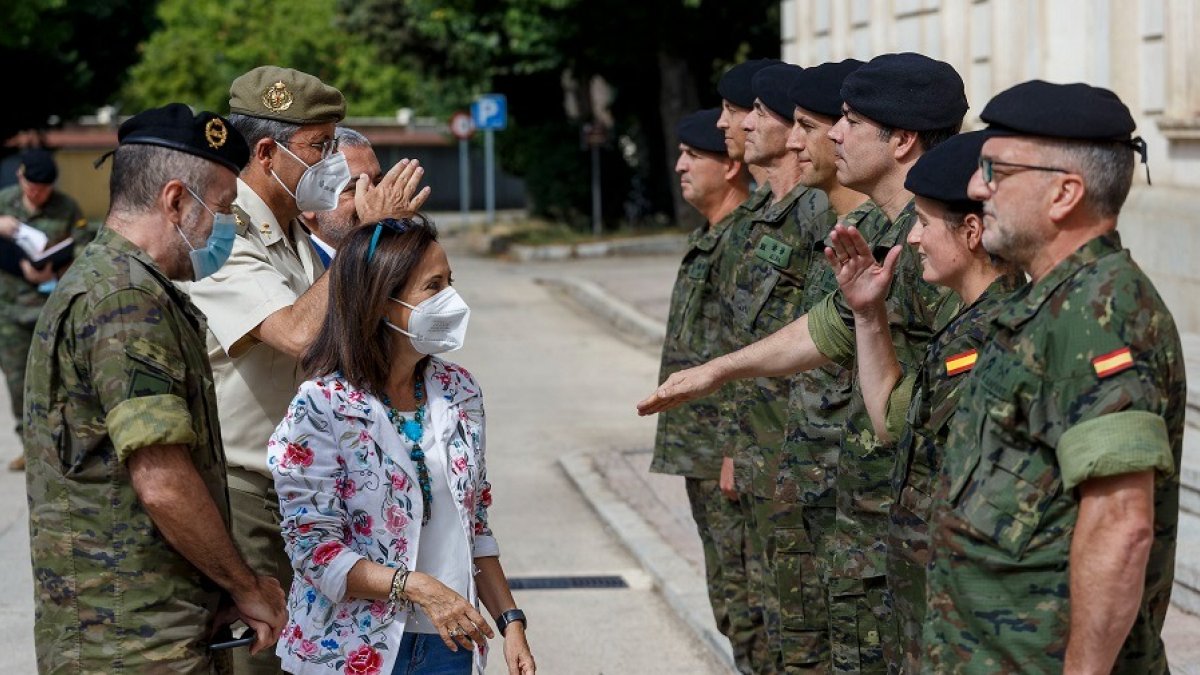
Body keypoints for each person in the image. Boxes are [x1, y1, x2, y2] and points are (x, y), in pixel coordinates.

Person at [639, 52, 966, 672]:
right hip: (860, 505)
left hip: (911, 520)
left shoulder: (935, 242)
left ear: (901, 139)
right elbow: (826, 328)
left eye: (846, 120)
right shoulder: (881, 227)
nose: (826, 135)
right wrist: (716, 372)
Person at [923, 81, 1183, 674]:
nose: (974, 187)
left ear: (1064, 192)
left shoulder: (1103, 314)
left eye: (995, 169)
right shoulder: (1047, 302)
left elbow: (1121, 528)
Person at [23, 103, 288, 673]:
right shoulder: (125, 301)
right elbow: (163, 481)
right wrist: (244, 585)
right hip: (129, 639)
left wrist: (215, 587)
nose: (225, 227)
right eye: (220, 209)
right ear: (175, 201)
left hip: (149, 624)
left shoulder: (126, 286)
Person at [186, 66, 429, 675]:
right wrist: (360, 239)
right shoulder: (221, 232)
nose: (331, 162)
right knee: (259, 661)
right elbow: (299, 334)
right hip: (247, 497)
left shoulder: (294, 230)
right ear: (266, 153)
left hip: (308, 489)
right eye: (320, 147)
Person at [269, 216, 535, 675]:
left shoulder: (459, 391)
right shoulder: (322, 406)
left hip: (449, 643)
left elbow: (475, 526)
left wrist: (511, 623)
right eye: (433, 286)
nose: (452, 300)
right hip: (350, 649)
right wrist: (416, 587)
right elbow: (314, 550)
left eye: (450, 282)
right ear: (381, 304)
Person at [821, 131, 1024, 672]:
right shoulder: (964, 328)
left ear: (973, 231)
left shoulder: (999, 337)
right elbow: (891, 421)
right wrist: (868, 315)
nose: (912, 240)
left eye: (924, 223)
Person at [650, 107, 751, 668]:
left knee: (750, 605)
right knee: (730, 602)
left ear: (732, 166)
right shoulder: (709, 236)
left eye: (695, 155)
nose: (680, 165)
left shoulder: (744, 240)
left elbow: (748, 350)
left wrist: (739, 448)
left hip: (729, 456)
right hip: (702, 452)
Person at [0, 148, 89, 471]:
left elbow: (82, 247)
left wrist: (55, 271)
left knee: (57, 380)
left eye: (44, 189)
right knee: (17, 382)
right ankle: (29, 445)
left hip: (51, 309)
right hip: (9, 312)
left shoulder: (66, 207)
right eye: (31, 187)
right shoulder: (4, 201)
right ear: (21, 178)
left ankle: (58, 444)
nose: (37, 194)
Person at [301, 126, 383, 264]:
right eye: (355, 188)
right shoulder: (293, 269)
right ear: (308, 204)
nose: (375, 198)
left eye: (379, 183)